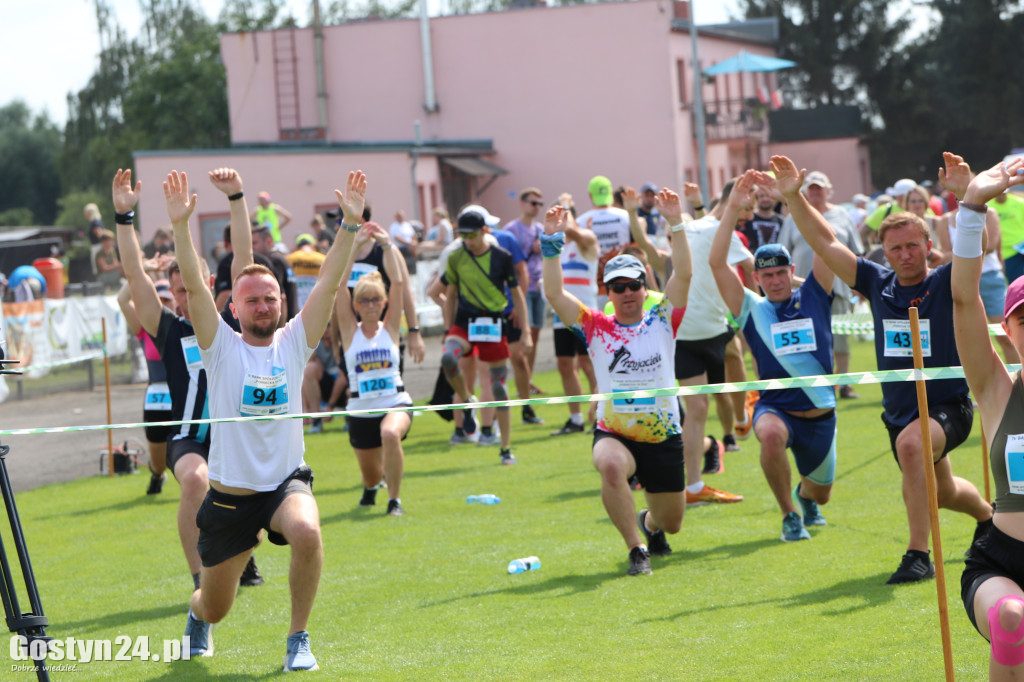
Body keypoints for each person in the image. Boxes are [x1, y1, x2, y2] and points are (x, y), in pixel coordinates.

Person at [166, 167, 365, 670]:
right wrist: (180, 226)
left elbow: (329, 280)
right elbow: (191, 281)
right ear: (232, 306)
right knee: (215, 604)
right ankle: (198, 617)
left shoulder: (296, 341)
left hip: (284, 484)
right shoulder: (220, 346)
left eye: (270, 298)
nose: (262, 305)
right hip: (231, 499)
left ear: (282, 303)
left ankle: (298, 638)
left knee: (307, 532)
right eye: (251, 299)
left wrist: (349, 226)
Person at [771, 153, 993, 584]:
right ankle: (987, 517)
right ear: (884, 252)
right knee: (942, 491)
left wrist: (968, 199)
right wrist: (794, 197)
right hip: (899, 412)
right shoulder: (877, 283)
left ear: (928, 246)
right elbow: (825, 243)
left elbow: (974, 249)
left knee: (913, 448)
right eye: (895, 248)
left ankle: (917, 555)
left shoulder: (946, 280)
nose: (905, 254)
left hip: (948, 406)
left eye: (913, 245)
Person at [113, 167, 265, 625]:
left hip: (238, 438)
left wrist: (237, 196)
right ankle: (200, 577)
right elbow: (135, 275)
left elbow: (244, 257)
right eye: (177, 291)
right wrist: (124, 218)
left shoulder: (231, 327)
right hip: (190, 439)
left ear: (205, 287)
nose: (183, 298)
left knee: (252, 499)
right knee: (198, 482)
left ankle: (242, 556)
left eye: (189, 289)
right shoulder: (169, 328)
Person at [541, 187, 693, 576]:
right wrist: (551, 245)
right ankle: (636, 549)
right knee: (609, 465)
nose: (626, 293)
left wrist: (676, 221)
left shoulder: (662, 318)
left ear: (645, 288)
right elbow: (555, 294)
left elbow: (685, 273)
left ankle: (650, 525)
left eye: (633, 285)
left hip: (662, 433)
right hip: (615, 431)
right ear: (606, 291)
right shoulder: (595, 327)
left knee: (672, 520)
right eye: (617, 287)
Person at [711, 170, 837, 542]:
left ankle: (805, 497)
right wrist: (733, 207)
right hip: (775, 408)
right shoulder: (750, 308)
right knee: (768, 435)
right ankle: (789, 515)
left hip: (821, 414)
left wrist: (797, 199)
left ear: (791, 271)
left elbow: (826, 244)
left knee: (821, 493)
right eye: (768, 276)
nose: (777, 281)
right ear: (756, 279)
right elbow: (717, 264)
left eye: (782, 273)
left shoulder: (814, 295)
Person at [949, 152, 1024, 679]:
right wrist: (971, 209)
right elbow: (962, 301)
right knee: (1013, 620)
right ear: (1009, 331)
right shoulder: (998, 389)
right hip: (1002, 561)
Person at [440, 205, 531, 464]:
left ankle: (505, 447)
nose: (467, 241)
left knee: (499, 387)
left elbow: (517, 294)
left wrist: (525, 332)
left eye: (471, 235)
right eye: (462, 236)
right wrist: (448, 328)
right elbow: (451, 294)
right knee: (448, 358)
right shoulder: (456, 257)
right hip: (464, 323)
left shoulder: (502, 257)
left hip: (493, 324)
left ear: (484, 231)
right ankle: (468, 402)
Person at [336, 223, 411, 515]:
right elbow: (339, 286)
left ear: (383, 303)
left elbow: (400, 284)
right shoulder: (349, 330)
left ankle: (394, 500)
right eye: (364, 300)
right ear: (356, 304)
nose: (370, 305)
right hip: (360, 409)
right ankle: (371, 488)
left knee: (390, 435)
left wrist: (388, 245)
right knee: (370, 475)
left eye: (375, 300)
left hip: (396, 402)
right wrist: (354, 247)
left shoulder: (390, 328)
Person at [777, 169, 864, 399]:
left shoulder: (842, 215)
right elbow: (783, 252)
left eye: (819, 188)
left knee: (841, 339)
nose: (815, 193)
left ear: (828, 191)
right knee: (807, 339)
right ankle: (812, 385)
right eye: (811, 189)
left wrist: (857, 284)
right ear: (805, 192)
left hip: (838, 286)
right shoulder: (792, 217)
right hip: (802, 289)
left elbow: (856, 251)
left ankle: (843, 383)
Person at [117, 278, 177, 495]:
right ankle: (158, 475)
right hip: (157, 399)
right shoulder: (143, 329)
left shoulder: (185, 324)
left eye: (166, 300)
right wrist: (143, 272)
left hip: (184, 396)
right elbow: (123, 300)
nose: (162, 304)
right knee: (159, 461)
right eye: (157, 300)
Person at [549, 204, 599, 436]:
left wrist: (566, 209)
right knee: (565, 365)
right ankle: (576, 418)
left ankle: (600, 416)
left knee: (589, 365)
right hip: (562, 316)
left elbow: (577, 234)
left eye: (565, 217)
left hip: (586, 313)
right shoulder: (561, 248)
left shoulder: (586, 240)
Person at [504, 187, 547, 394]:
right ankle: (524, 380)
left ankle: (527, 379)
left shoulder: (540, 228)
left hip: (538, 285)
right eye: (533, 203)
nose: (537, 207)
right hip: (521, 287)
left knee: (535, 335)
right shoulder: (511, 229)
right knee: (523, 336)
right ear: (522, 204)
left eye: (539, 204)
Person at [576, 175, 632, 309]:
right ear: (611, 193)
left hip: (596, 289)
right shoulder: (627, 216)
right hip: (626, 288)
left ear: (590, 196)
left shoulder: (581, 221)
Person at [252, 223, 297, 324]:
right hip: (291, 322)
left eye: (254, 243)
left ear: (269, 241)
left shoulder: (273, 261)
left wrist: (278, 332)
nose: (251, 248)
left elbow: (281, 297)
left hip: (284, 325)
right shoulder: (281, 259)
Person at [989, 188, 1024, 283]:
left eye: (1004, 193)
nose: (1001, 196)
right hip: (1005, 252)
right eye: (999, 193)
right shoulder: (988, 207)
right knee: (1015, 283)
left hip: (1020, 248)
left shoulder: (1019, 203)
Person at [287, 233, 326, 310]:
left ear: (297, 247)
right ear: (313, 245)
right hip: (318, 304)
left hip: (296, 305)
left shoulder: (290, 259)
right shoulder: (323, 259)